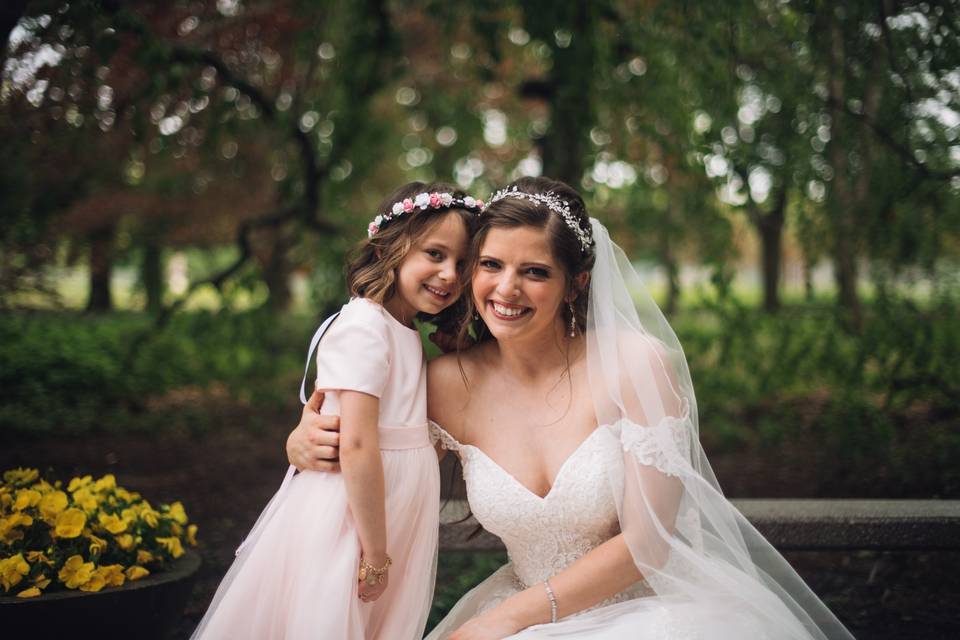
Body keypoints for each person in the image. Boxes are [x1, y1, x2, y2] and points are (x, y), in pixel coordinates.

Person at [288, 177, 854, 639]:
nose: (505, 290)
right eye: (490, 265)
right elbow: (369, 442)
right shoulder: (442, 384)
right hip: (519, 611)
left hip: (646, 615)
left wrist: (507, 620)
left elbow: (648, 542)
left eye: (534, 272)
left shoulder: (635, 365)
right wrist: (303, 440)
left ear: (576, 283)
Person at [192, 182, 483, 640]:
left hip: (390, 514)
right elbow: (360, 443)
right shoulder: (365, 326)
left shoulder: (406, 330)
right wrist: (375, 552)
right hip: (352, 521)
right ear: (393, 249)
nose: (449, 273)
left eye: (463, 263)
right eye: (435, 254)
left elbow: (407, 435)